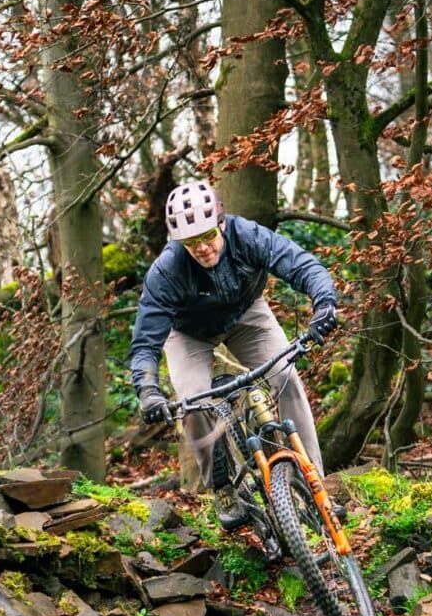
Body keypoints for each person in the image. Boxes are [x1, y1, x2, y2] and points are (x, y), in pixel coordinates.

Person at [126, 180, 341, 528]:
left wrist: (325, 304)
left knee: (286, 377)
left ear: (222, 225)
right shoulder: (167, 270)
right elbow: (145, 343)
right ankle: (224, 488)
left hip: (246, 314)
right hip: (189, 333)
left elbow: (302, 266)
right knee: (194, 404)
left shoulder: (248, 236)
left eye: (208, 236)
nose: (203, 248)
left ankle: (313, 481)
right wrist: (148, 391)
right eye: (191, 243)